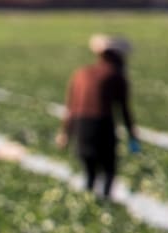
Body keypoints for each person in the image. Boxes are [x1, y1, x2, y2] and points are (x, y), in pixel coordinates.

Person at [56, 34, 140, 198]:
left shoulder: (81, 73)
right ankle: (104, 201)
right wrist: (132, 137)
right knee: (109, 170)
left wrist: (65, 132)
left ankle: (89, 201)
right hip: (102, 125)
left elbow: (70, 108)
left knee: (90, 173)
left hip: (81, 126)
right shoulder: (115, 75)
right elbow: (124, 110)